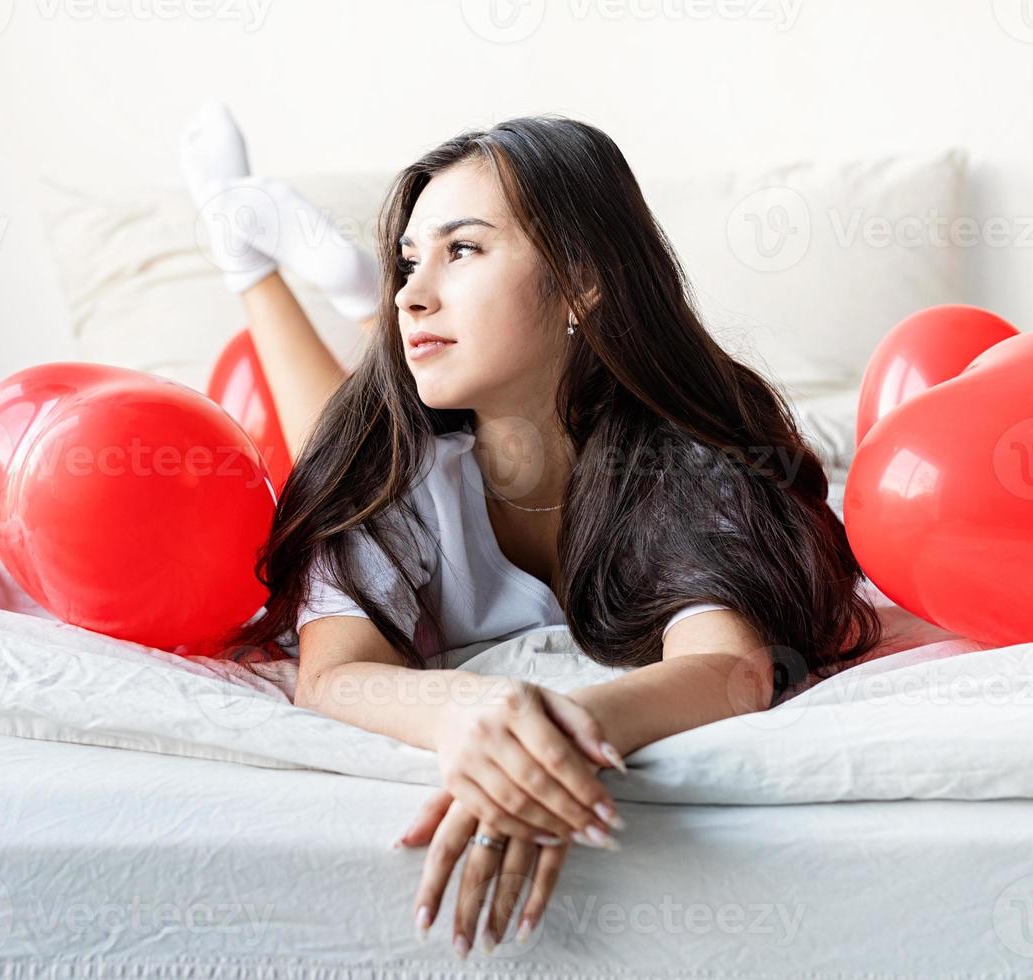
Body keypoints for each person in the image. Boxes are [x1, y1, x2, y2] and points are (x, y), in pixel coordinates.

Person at [181, 103, 883, 960]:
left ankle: (324, 280)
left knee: (382, 409)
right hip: (409, 437)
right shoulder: (392, 467)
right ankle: (248, 263)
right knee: (338, 440)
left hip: (561, 422)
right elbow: (332, 674)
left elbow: (730, 667)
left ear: (582, 279)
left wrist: (556, 732)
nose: (411, 291)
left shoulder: (682, 459)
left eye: (462, 249)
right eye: (406, 263)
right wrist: (473, 713)